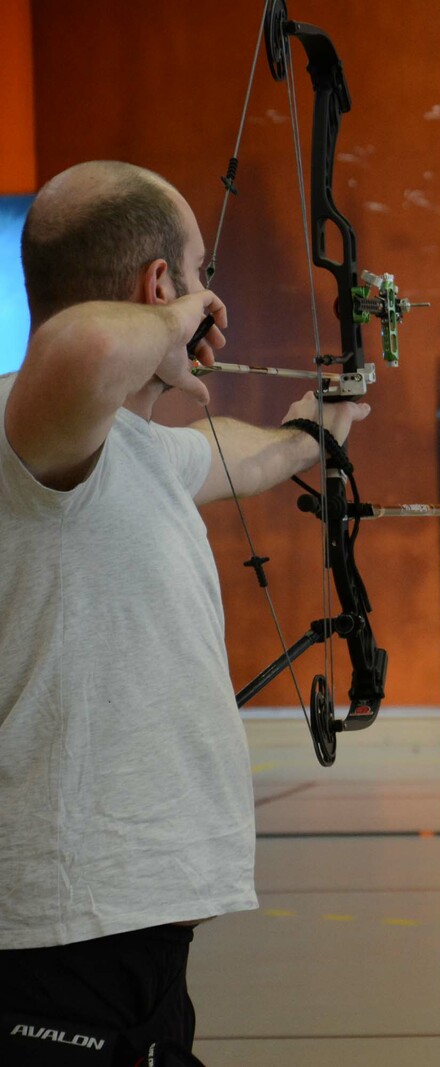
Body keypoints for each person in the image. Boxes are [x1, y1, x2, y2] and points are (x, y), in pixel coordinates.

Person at [0, 161, 368, 1061]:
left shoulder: (126, 450)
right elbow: (87, 345)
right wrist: (180, 317)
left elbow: (225, 452)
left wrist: (310, 434)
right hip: (55, 939)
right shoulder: (29, 425)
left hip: (126, 933)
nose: (215, 305)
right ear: (159, 285)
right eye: (202, 276)